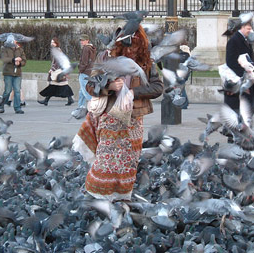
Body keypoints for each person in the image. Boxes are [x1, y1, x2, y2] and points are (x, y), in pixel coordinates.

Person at [73, 25, 164, 201]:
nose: (132, 50)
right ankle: (98, 197)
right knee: (106, 160)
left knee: (128, 162)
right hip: (109, 117)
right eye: (129, 45)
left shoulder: (145, 60)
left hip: (133, 120)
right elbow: (90, 85)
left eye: (137, 45)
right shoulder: (105, 57)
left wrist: (133, 93)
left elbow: (158, 87)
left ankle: (122, 199)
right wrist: (109, 86)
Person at [225, 20, 254, 114]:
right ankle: (236, 125)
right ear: (242, 28)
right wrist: (243, 75)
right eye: (248, 28)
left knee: (253, 102)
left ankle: (242, 123)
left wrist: (253, 70)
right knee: (241, 104)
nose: (250, 31)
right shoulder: (234, 41)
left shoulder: (245, 39)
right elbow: (231, 61)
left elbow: (249, 58)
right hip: (239, 78)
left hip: (247, 77)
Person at [38, 37, 74, 106]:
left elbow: (57, 62)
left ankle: (46, 100)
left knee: (57, 85)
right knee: (56, 85)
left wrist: (52, 69)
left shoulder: (57, 51)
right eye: (51, 42)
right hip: (59, 71)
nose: (52, 44)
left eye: (53, 42)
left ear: (56, 43)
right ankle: (70, 99)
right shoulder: (56, 50)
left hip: (58, 71)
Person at [0, 39, 26, 114]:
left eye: (15, 40)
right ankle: (1, 107)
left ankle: (17, 108)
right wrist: (13, 59)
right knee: (7, 91)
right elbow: (4, 59)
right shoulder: (4, 49)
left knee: (17, 90)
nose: (14, 42)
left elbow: (24, 60)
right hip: (8, 72)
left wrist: (20, 63)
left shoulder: (20, 49)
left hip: (17, 73)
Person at [71, 34, 96, 119]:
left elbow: (84, 62)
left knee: (85, 92)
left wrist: (80, 69)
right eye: (81, 40)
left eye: (83, 40)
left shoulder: (86, 48)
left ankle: (94, 107)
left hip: (84, 72)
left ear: (87, 40)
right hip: (90, 72)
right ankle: (80, 107)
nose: (81, 42)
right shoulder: (92, 48)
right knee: (81, 91)